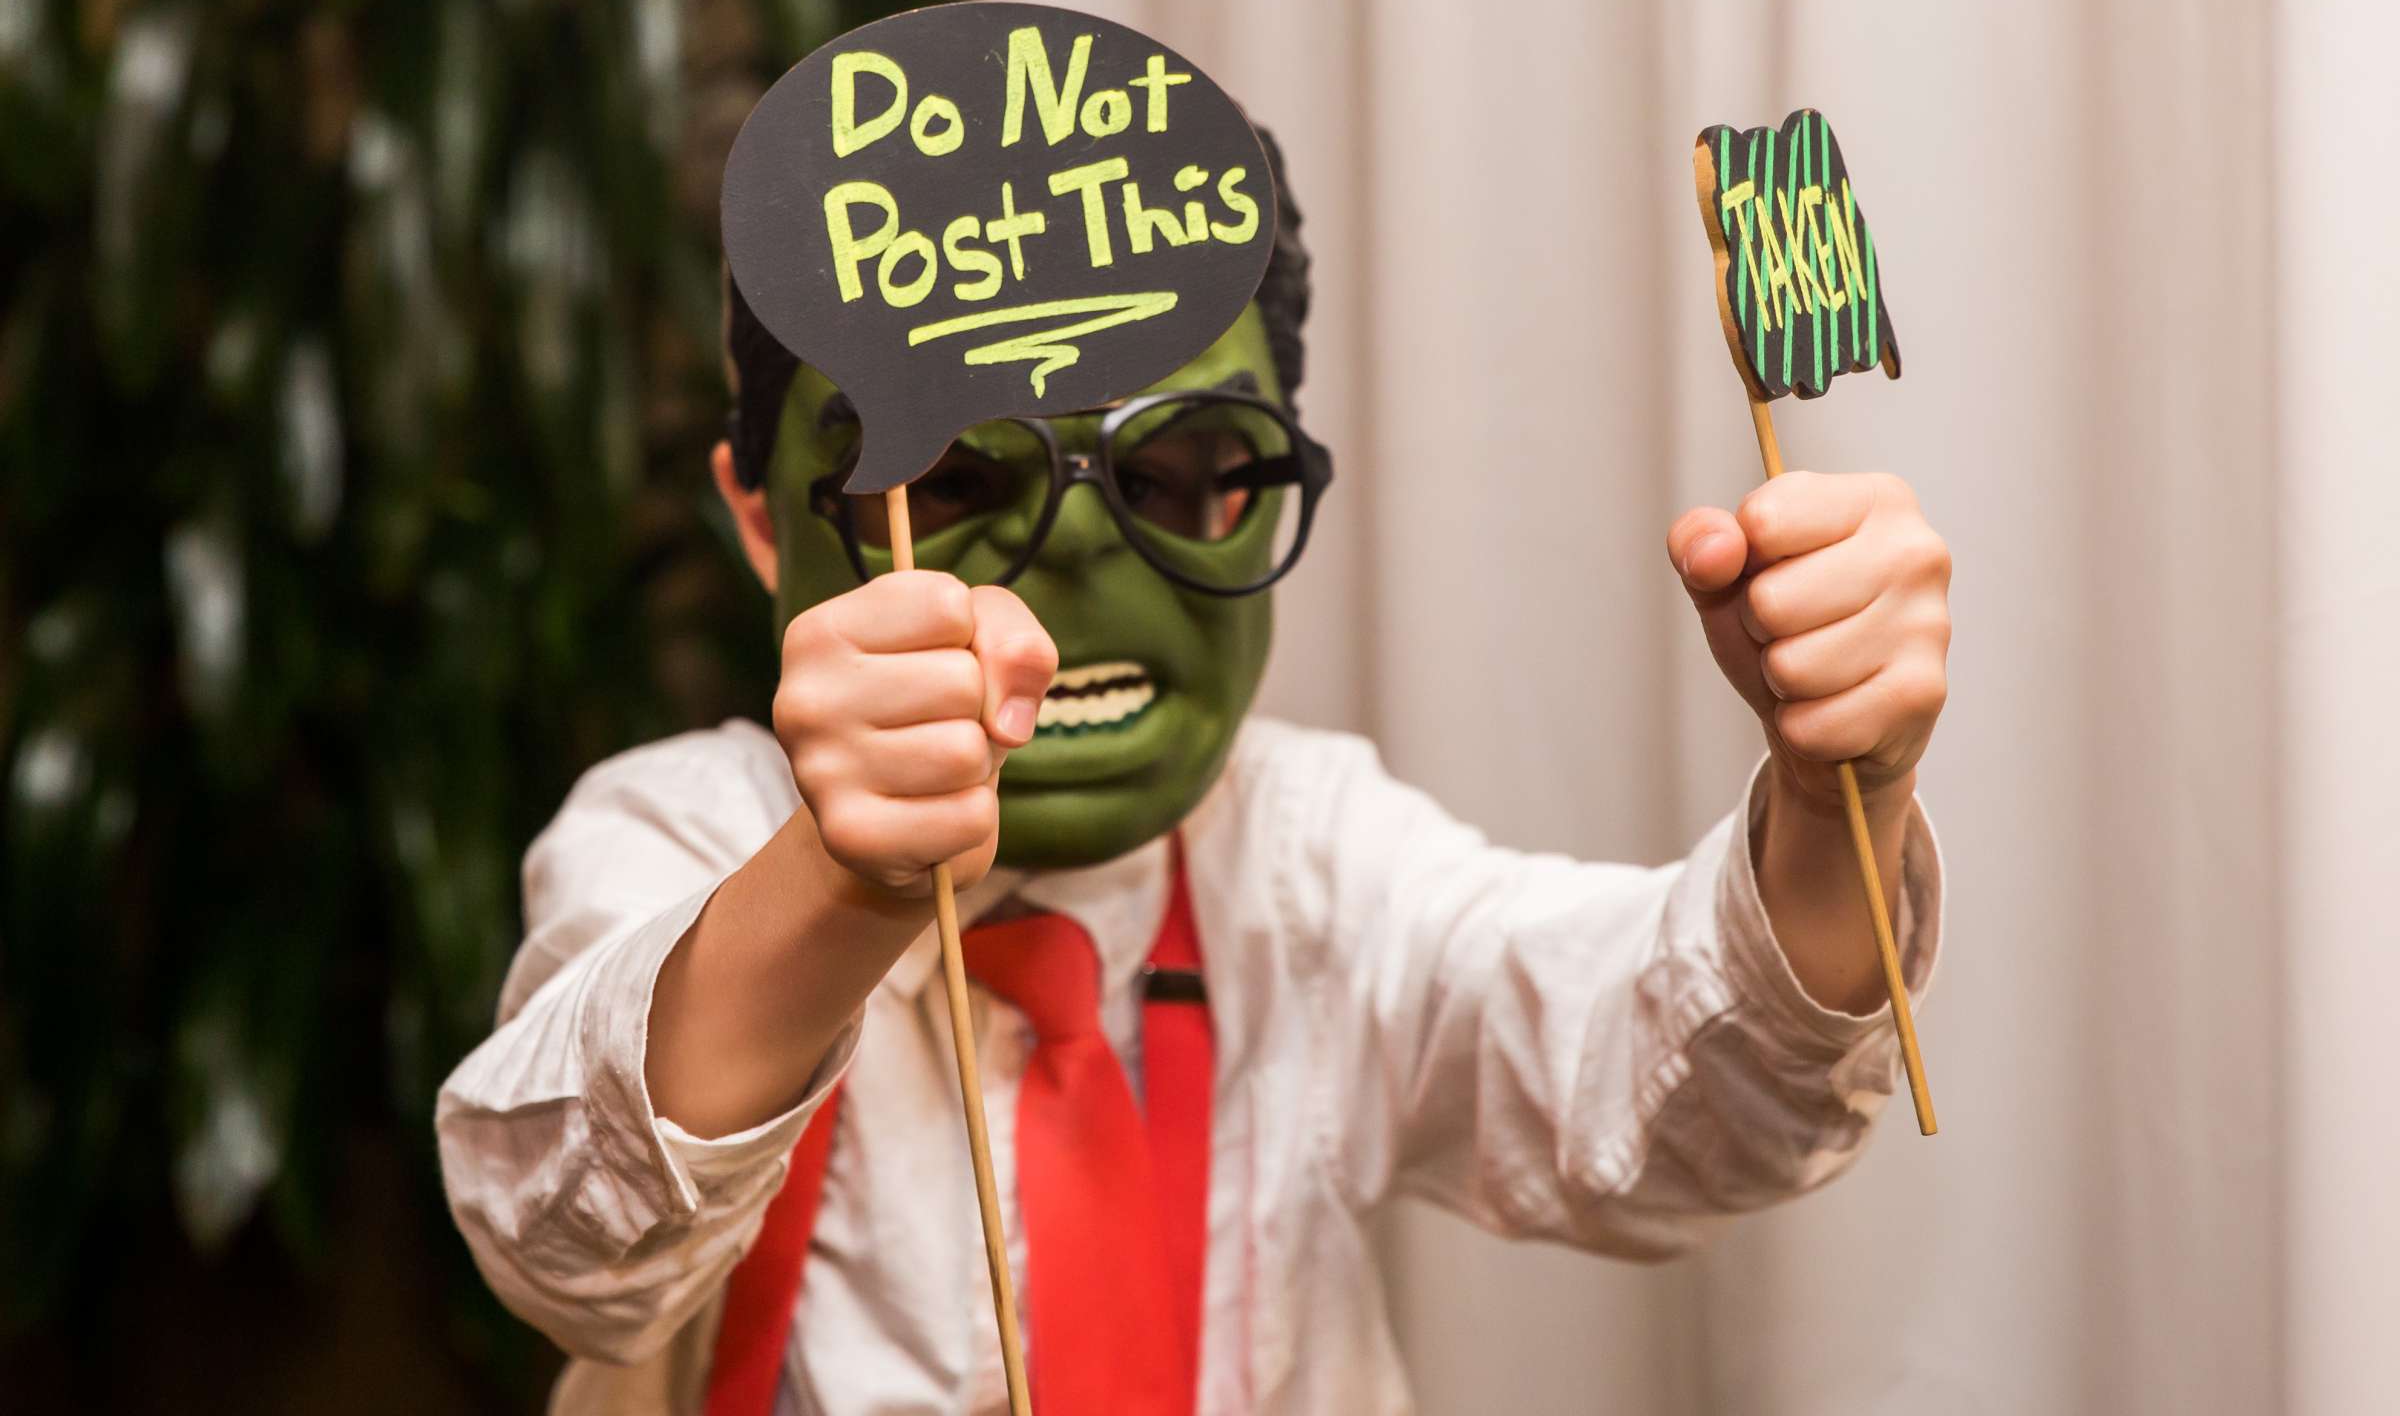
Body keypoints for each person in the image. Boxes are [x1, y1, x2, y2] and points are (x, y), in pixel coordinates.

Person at [436, 128, 1950, 1415]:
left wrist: (1839, 807)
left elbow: (1674, 1105)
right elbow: (560, 1243)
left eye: (1176, 475)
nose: (1088, 550)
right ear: (766, 519)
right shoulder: (671, 834)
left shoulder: (1305, 863)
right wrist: (839, 885)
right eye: (953, 477)